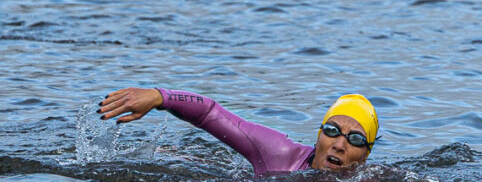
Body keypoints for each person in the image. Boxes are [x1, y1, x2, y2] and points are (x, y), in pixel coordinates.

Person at [97, 87, 379, 177]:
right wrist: (160, 97)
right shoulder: (278, 154)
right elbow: (209, 113)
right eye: (332, 130)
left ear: (365, 154)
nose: (339, 144)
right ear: (319, 135)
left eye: (355, 138)